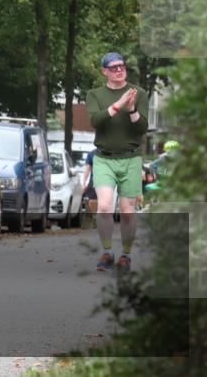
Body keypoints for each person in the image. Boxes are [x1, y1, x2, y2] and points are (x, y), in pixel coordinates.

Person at [86, 52, 148, 273]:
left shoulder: (138, 93)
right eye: (113, 67)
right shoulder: (95, 94)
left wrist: (130, 108)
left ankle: (126, 255)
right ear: (104, 71)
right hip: (104, 158)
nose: (119, 70)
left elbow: (141, 128)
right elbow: (95, 121)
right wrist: (117, 105)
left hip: (131, 157)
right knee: (103, 205)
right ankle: (107, 251)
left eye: (122, 66)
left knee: (127, 211)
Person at [81, 148, 98, 226]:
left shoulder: (110, 153)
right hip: (94, 181)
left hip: (108, 182)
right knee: (92, 201)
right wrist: (84, 182)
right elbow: (87, 169)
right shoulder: (91, 154)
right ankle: (95, 218)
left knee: (104, 202)